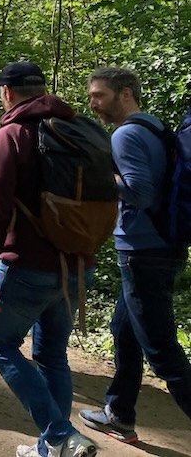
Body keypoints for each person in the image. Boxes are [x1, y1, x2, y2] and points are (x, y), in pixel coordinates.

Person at [0, 61, 98, 457]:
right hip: (78, 263)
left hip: (27, 265)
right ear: (42, 89)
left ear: (7, 92)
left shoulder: (12, 134)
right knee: (51, 354)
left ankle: (60, 435)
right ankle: (53, 449)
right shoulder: (81, 129)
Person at [79, 67, 191, 442]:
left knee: (161, 352)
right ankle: (119, 414)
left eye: (99, 95)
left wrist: (99, 174)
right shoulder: (155, 127)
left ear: (125, 94)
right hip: (164, 244)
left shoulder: (126, 134)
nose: (93, 103)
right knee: (123, 331)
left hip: (143, 251)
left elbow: (140, 194)